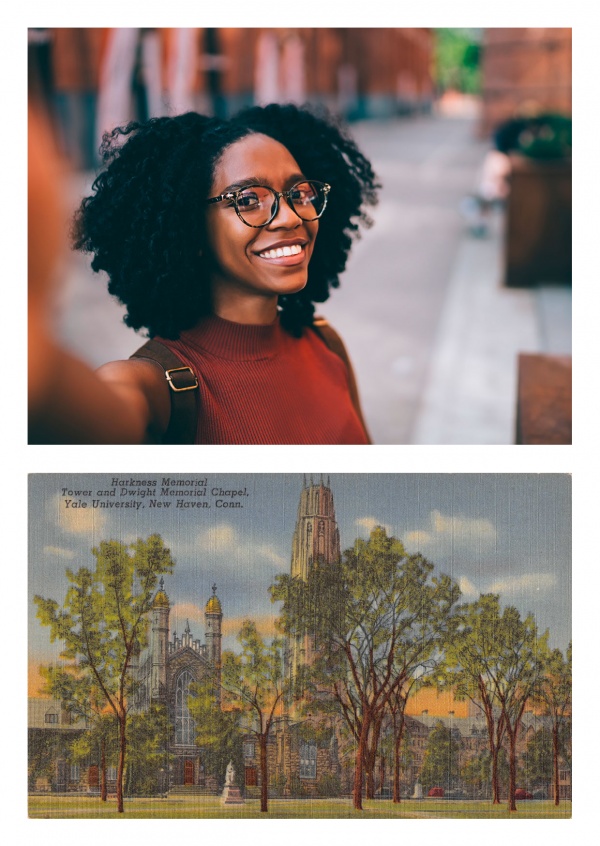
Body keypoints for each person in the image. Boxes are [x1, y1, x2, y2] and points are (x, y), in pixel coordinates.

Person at [58, 103, 378, 444]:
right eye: (249, 200)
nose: (290, 217)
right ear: (192, 228)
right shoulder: (154, 389)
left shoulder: (326, 344)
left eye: (299, 194)